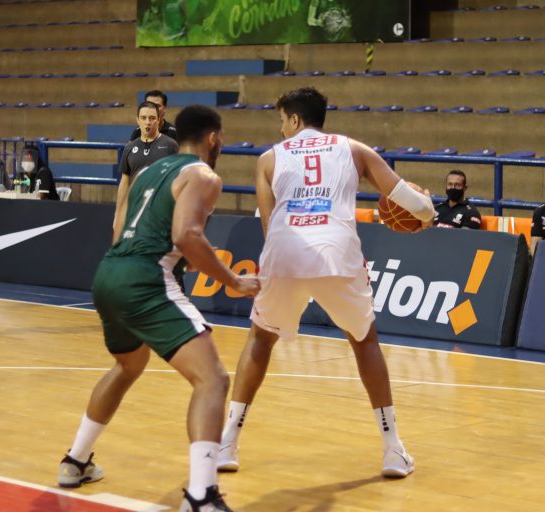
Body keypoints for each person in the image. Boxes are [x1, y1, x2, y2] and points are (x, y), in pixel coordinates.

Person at [217, 87, 435, 479]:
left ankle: (227, 444)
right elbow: (415, 205)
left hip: (284, 252)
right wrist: (427, 211)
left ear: (294, 119)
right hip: (337, 252)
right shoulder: (355, 149)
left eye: (282, 121)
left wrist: (279, 267)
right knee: (364, 341)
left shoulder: (269, 159)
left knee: (260, 339)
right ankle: (393, 450)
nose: (281, 129)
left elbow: (269, 225)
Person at [57, 105, 259, 512]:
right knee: (213, 379)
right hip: (146, 279)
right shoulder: (204, 176)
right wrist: (233, 281)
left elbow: (124, 227)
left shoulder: (148, 172)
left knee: (127, 366)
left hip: (109, 272)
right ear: (214, 138)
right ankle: (202, 495)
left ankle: (75, 461)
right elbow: (186, 236)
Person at [114, 101, 179, 242]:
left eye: (152, 118)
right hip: (134, 213)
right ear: (137, 120)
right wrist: (118, 214)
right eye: (143, 118)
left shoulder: (171, 146)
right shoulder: (129, 148)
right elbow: (124, 183)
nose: (147, 122)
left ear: (159, 120)